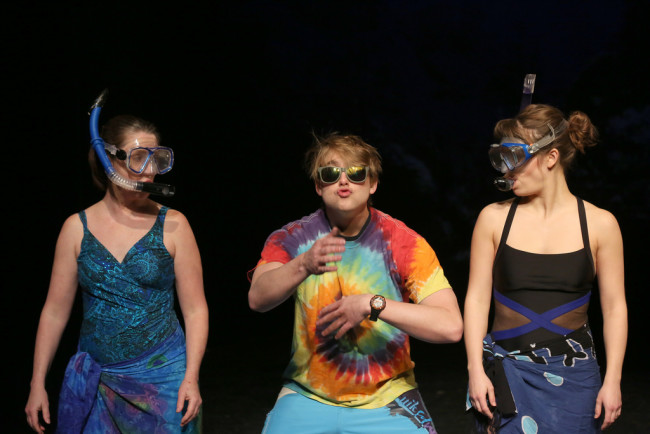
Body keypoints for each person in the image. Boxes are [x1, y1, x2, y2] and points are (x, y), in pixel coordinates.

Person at [248, 132, 463, 433]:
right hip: (308, 395)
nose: (344, 180)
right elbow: (257, 298)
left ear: (373, 183)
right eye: (331, 173)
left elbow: (450, 326)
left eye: (356, 172)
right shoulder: (292, 238)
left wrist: (370, 304)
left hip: (387, 397)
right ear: (318, 185)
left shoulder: (404, 243)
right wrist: (304, 264)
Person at [25, 115, 208, 433]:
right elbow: (54, 312)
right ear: (108, 159)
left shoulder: (175, 224)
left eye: (157, 160)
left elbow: (195, 310)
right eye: (139, 158)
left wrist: (191, 377)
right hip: (98, 382)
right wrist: (37, 383)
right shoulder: (75, 229)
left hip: (163, 379)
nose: (150, 172)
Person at [464, 104, 627, 432]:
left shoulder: (600, 224)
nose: (508, 171)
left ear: (550, 158)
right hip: (505, 374)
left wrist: (613, 380)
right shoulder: (493, 218)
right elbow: (477, 300)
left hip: (574, 378)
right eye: (503, 158)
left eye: (516, 158)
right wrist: (474, 370)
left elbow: (614, 308)